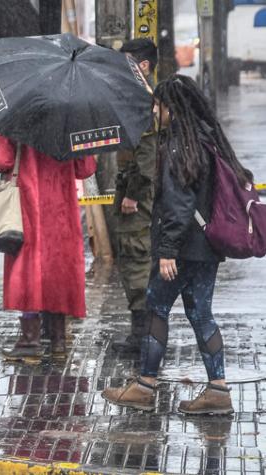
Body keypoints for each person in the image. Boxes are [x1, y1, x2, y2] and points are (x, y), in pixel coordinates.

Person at [101, 75, 252, 415]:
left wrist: (167, 249)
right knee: (201, 314)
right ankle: (218, 389)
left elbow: (180, 202)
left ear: (171, 107)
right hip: (206, 246)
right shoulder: (206, 138)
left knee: (156, 307)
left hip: (182, 248)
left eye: (158, 105)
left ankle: (145, 385)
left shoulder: (178, 145)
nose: (156, 111)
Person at [0, 135, 97, 358]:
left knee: (28, 269)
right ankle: (58, 341)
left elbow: (3, 160)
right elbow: (85, 168)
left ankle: (30, 341)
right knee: (58, 269)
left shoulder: (17, 120)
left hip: (28, 206)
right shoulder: (72, 122)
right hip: (62, 210)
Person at [111, 39, 159, 353]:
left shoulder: (145, 100)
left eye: (128, 63)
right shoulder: (139, 98)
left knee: (137, 259)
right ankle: (141, 334)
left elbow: (147, 157)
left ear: (143, 66)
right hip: (136, 191)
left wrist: (133, 195)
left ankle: (144, 337)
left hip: (139, 198)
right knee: (134, 259)